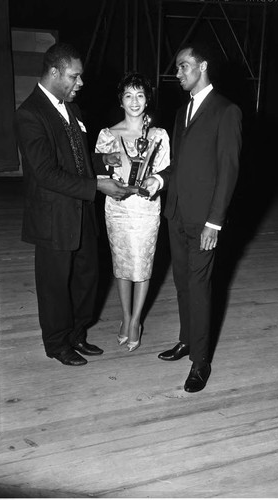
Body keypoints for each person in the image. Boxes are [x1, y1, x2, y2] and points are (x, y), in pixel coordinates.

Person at [15, 42, 128, 367]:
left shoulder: (72, 109)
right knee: (54, 286)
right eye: (74, 76)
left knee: (86, 278)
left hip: (81, 214)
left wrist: (100, 159)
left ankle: (77, 334)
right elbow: (47, 173)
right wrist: (98, 186)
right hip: (53, 219)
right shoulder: (29, 114)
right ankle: (56, 343)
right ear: (54, 72)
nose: (80, 83)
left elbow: (75, 160)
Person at [143, 42, 242, 392]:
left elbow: (228, 172)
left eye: (184, 66)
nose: (178, 72)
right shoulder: (182, 110)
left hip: (204, 222)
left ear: (202, 66)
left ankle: (201, 362)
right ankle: (186, 340)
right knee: (182, 282)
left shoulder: (226, 111)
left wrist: (215, 223)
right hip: (177, 215)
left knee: (199, 287)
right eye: (178, 67)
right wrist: (159, 179)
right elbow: (181, 166)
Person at [95, 72, 170, 352]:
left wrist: (154, 183)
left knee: (142, 264)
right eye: (128, 95)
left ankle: (137, 320)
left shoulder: (158, 135)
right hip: (117, 209)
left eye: (140, 95)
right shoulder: (108, 135)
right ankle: (125, 317)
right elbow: (99, 175)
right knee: (122, 265)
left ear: (147, 99)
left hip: (146, 209)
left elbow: (164, 172)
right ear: (121, 100)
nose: (134, 101)